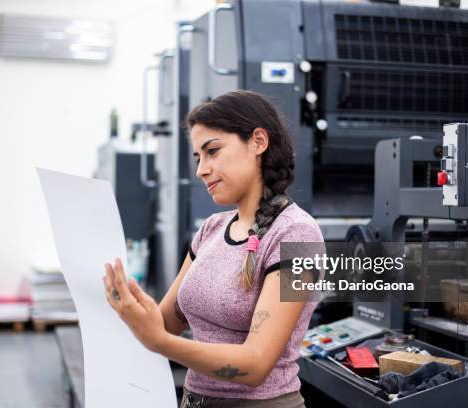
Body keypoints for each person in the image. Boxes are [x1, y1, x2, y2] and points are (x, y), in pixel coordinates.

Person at [102, 90, 324, 407]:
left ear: (258, 142)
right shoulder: (212, 229)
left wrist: (161, 342)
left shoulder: (298, 236)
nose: (201, 169)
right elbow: (164, 322)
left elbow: (255, 364)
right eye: (198, 157)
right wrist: (123, 298)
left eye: (213, 151)